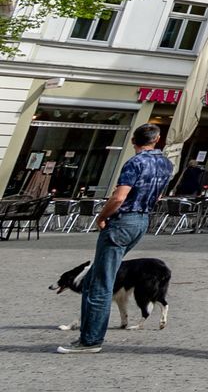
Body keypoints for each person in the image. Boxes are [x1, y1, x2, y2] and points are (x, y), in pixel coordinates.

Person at [57, 124, 173, 353]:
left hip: (124, 221)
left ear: (133, 141)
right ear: (157, 139)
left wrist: (102, 216)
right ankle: (88, 334)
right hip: (142, 220)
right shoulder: (166, 164)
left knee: (100, 282)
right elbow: (158, 195)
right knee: (94, 280)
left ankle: (90, 340)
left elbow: (119, 197)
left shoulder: (135, 162)